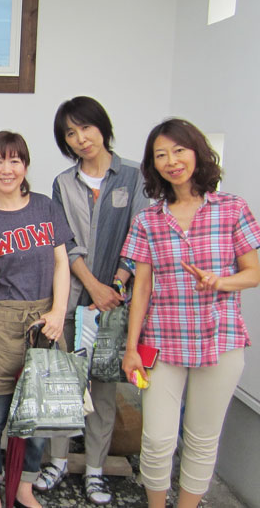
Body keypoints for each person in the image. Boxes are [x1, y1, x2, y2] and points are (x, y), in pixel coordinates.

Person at [120, 119, 260, 508]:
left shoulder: (231, 208)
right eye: (161, 155)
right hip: (163, 344)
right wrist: (132, 349)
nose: (171, 161)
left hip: (222, 341)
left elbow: (254, 274)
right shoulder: (149, 219)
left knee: (201, 437)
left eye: (178, 150)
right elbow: (141, 289)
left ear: (197, 152)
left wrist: (219, 282)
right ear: (153, 166)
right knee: (158, 438)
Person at [36, 96, 148, 504]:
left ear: (103, 127)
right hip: (72, 300)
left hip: (114, 305)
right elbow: (64, 241)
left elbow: (140, 235)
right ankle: (57, 460)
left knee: (102, 387)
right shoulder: (64, 183)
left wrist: (115, 287)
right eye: (70, 132)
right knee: (64, 383)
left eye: (86, 128)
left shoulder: (135, 176)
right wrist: (92, 286)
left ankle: (96, 469)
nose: (81, 138)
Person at [0, 131, 72, 508]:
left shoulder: (44, 207)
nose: (6, 169)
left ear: (25, 166)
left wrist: (58, 311)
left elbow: (61, 262)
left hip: (45, 320)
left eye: (14, 160)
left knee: (37, 417)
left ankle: (25, 485)